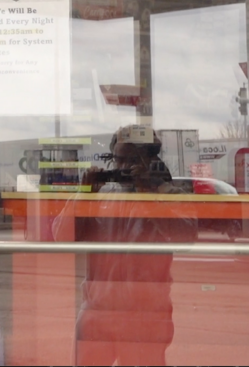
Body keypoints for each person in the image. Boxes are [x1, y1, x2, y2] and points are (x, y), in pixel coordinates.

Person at [61, 124, 197, 366]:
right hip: (97, 310)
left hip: (146, 315)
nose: (123, 168)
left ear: (150, 160)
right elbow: (61, 235)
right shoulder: (102, 195)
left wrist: (148, 193)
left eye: (132, 160)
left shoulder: (169, 194)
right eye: (118, 160)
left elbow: (186, 235)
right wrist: (85, 195)